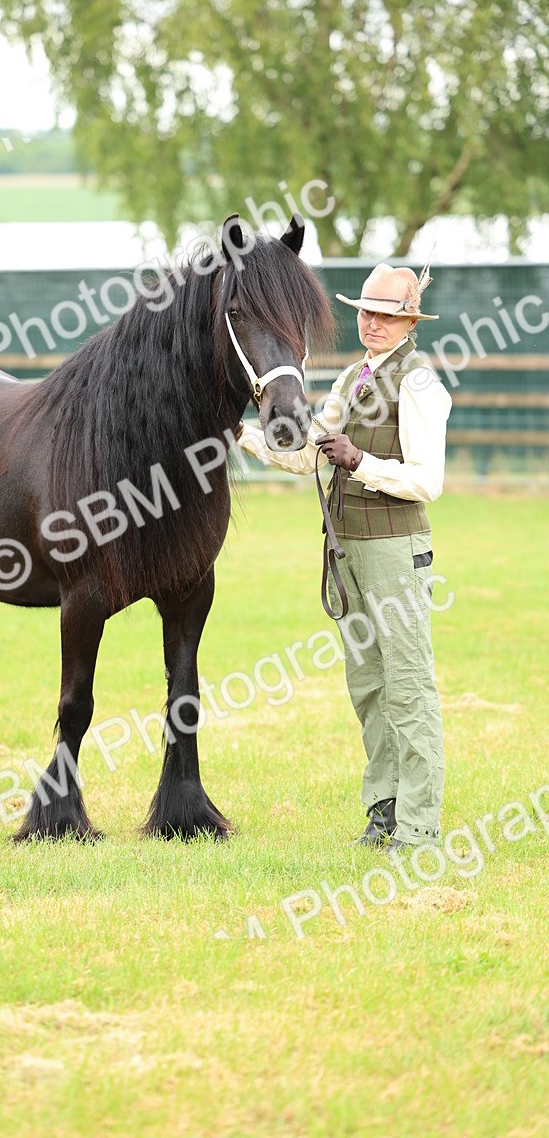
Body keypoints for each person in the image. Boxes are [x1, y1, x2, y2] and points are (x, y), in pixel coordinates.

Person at [236, 262, 452, 850]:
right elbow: (310, 457)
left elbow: (427, 481)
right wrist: (245, 436)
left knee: (407, 685)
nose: (372, 321)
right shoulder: (354, 378)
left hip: (394, 548)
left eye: (386, 314)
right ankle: (383, 809)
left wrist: (360, 462)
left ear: (409, 321)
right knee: (369, 686)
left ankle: (420, 824)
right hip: (349, 548)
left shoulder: (419, 382)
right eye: (365, 311)